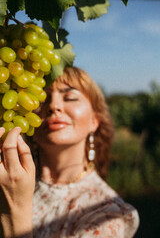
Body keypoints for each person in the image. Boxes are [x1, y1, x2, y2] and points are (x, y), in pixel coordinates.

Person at [0, 67, 139, 238]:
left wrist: (15, 211)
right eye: (43, 98)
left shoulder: (107, 215)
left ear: (94, 121)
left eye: (70, 97)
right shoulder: (6, 182)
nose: (53, 105)